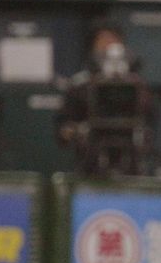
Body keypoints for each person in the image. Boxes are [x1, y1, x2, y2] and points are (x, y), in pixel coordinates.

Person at [55, 25, 154, 177]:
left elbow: (149, 122)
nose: (108, 46)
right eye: (102, 42)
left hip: (130, 161)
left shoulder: (137, 85)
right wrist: (73, 131)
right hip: (91, 162)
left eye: (113, 41)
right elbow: (63, 127)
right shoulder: (80, 86)